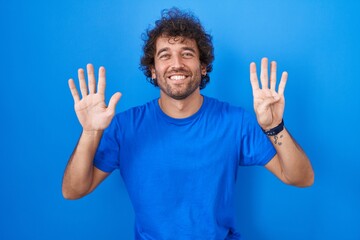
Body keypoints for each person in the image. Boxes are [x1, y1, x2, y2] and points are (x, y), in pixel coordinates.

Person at [62, 7, 314, 240]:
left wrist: (275, 127)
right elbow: (73, 190)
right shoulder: (124, 127)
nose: (177, 64)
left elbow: (300, 178)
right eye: (165, 55)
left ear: (203, 67)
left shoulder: (235, 122)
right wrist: (90, 132)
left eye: (187, 54)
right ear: (153, 70)